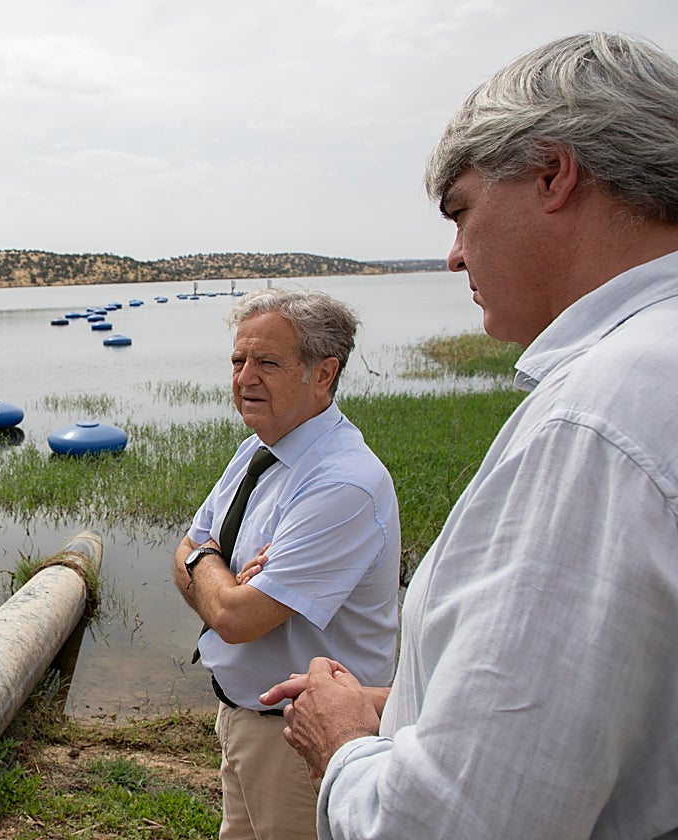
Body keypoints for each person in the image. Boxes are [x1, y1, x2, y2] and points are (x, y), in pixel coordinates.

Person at [265, 31, 678, 839]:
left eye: (461, 211)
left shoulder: (598, 418)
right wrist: (423, 704)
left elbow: (458, 823)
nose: (453, 257)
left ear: (554, 174)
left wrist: (347, 741)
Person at [173, 287, 400, 840]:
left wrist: (210, 568)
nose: (244, 377)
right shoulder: (259, 447)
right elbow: (183, 552)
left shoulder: (342, 482)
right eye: (238, 360)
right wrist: (216, 568)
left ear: (324, 374)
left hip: (300, 741)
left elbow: (236, 618)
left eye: (267, 362)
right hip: (243, 720)